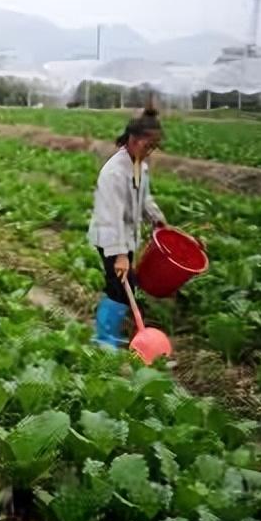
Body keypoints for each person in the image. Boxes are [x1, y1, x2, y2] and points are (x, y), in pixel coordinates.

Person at [87, 102, 167, 347]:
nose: (149, 151)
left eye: (154, 147)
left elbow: (144, 197)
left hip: (127, 236)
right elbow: (111, 216)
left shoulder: (139, 166)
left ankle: (111, 332)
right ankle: (103, 338)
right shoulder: (114, 172)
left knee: (127, 284)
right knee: (118, 286)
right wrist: (121, 255)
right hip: (110, 238)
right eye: (147, 145)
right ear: (132, 139)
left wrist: (157, 218)